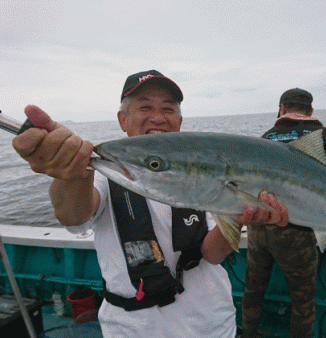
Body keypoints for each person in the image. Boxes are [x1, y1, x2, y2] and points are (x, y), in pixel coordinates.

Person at [12, 70, 288, 338]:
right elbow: (73, 216)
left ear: (179, 122)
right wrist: (71, 174)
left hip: (212, 325)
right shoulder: (107, 171)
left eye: (169, 109)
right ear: (123, 120)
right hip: (132, 331)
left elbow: (212, 254)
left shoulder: (204, 170)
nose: (158, 118)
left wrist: (241, 214)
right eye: (145, 107)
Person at [241, 88, 326, 338]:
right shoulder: (325, 136)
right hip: (296, 232)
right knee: (302, 298)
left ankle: (248, 333)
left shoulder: (265, 137)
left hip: (259, 227)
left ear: (281, 109)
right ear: (310, 111)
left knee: (253, 288)